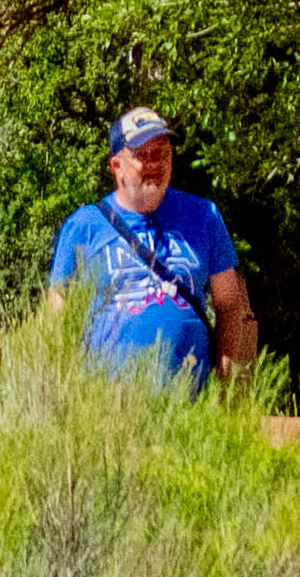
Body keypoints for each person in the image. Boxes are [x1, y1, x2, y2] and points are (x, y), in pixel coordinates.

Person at [39, 113, 258, 383]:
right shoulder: (84, 226)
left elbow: (229, 304)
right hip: (109, 406)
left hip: (191, 407)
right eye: (144, 155)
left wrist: (226, 384)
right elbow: (57, 313)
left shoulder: (204, 216)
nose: (156, 163)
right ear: (117, 166)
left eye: (163, 153)